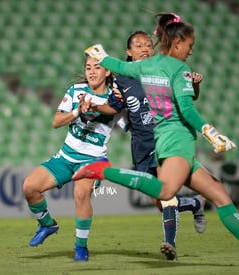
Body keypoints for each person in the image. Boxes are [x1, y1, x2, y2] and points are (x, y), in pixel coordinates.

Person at [74, 12, 239, 267]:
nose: (191, 50)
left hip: (168, 138)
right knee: (165, 192)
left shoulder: (145, 67)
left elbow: (118, 66)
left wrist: (100, 54)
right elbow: (186, 110)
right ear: (176, 43)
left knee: (220, 195)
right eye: (189, 45)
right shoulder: (178, 69)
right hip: (176, 138)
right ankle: (103, 171)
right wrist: (211, 132)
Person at [82, 29, 207, 260]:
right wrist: (96, 107)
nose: (145, 49)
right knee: (159, 201)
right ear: (129, 52)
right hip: (140, 144)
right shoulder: (121, 79)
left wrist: (195, 85)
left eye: (148, 44)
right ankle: (193, 204)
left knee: (165, 194)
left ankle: (169, 243)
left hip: (165, 140)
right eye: (138, 45)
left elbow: (188, 99)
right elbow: (114, 106)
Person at [22, 56, 124, 261]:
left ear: (108, 72)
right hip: (66, 157)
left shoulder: (115, 98)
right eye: (88, 68)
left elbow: (119, 116)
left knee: (80, 193)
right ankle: (48, 225)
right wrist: (78, 110)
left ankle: (80, 247)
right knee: (29, 188)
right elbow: (56, 121)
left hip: (93, 160)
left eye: (97, 67)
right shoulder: (76, 91)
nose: (92, 72)